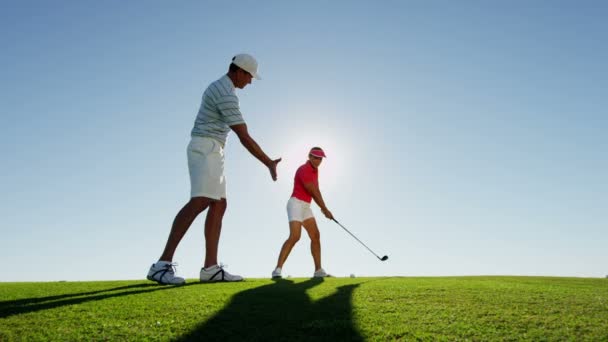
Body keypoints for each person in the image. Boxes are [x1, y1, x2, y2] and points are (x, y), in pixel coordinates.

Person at [147, 53, 281, 285]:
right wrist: (268, 162)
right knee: (199, 201)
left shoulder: (223, 88)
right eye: (249, 76)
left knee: (219, 203)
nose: (250, 82)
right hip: (205, 148)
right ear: (239, 71)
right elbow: (243, 136)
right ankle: (161, 265)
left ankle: (210, 267)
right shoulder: (225, 94)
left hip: (213, 149)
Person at [272, 147, 333, 279]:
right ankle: (277, 269)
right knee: (295, 236)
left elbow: (317, 190)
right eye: (316, 157)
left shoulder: (315, 170)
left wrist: (324, 208)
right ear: (309, 157)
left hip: (305, 206)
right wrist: (325, 209)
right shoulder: (304, 169)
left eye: (320, 158)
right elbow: (312, 191)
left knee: (315, 235)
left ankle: (318, 270)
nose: (318, 160)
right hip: (295, 204)